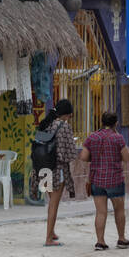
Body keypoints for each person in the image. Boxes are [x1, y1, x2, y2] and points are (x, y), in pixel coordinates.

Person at [80, 111, 129, 251]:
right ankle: (121, 239)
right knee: (119, 210)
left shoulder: (92, 137)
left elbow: (84, 156)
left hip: (97, 179)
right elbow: (127, 158)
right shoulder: (118, 138)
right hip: (114, 179)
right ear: (116, 123)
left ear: (102, 122)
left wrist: (96, 158)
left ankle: (100, 241)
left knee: (101, 212)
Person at [41, 99, 77, 247]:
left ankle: (52, 232)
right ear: (67, 114)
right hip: (58, 170)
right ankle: (49, 239)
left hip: (43, 169)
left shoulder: (46, 124)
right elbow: (70, 153)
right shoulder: (64, 127)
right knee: (54, 205)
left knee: (51, 203)